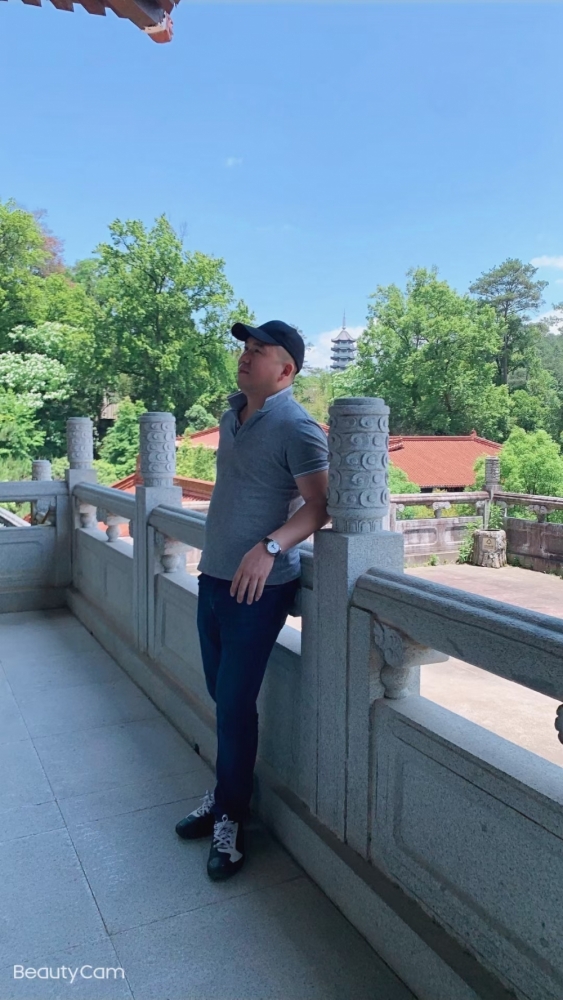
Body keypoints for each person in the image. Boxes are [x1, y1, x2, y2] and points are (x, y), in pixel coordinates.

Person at [175, 320, 329, 880]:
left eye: (259, 351)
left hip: (260, 588)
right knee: (222, 695)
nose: (246, 356)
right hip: (214, 575)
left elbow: (320, 506)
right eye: (246, 347)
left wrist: (270, 547)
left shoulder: (298, 427)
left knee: (236, 702)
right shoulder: (231, 415)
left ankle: (232, 818)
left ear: (286, 370)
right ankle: (227, 794)